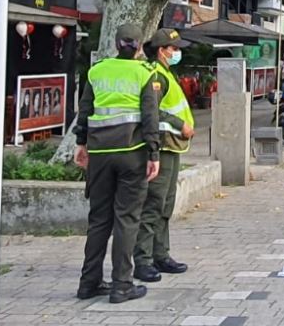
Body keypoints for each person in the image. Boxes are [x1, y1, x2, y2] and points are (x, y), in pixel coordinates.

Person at [74, 24, 162, 304]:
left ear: (115, 44)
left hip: (99, 153)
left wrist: (81, 143)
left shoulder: (97, 71)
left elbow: (85, 109)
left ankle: (88, 283)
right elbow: (150, 117)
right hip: (132, 153)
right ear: (139, 46)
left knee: (99, 218)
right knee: (127, 218)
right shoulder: (144, 72)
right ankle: (122, 284)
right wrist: (154, 154)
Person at [134, 29, 195, 283]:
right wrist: (181, 125)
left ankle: (161, 254)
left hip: (172, 148)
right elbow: (153, 113)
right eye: (174, 49)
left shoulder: (166, 73)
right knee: (153, 206)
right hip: (162, 148)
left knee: (165, 206)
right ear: (162, 51)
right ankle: (143, 260)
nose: (176, 52)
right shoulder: (157, 76)